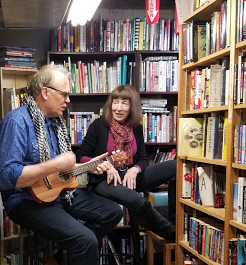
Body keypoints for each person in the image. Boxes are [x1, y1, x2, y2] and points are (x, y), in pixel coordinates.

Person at [0, 64, 125, 265]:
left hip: (58, 194)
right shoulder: (17, 122)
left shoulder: (55, 123)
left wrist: (85, 166)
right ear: (45, 92)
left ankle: (56, 261)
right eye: (64, 93)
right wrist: (55, 165)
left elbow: (65, 173)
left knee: (112, 211)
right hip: (25, 202)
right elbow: (7, 177)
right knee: (84, 242)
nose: (68, 99)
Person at [75, 84, 176, 242]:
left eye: (125, 103)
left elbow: (142, 159)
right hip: (104, 179)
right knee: (138, 201)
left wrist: (134, 169)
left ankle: (177, 222)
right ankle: (174, 235)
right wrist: (105, 165)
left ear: (132, 107)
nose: (119, 108)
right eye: (116, 102)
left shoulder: (136, 128)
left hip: (129, 176)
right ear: (110, 105)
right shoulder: (99, 126)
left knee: (175, 166)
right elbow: (81, 156)